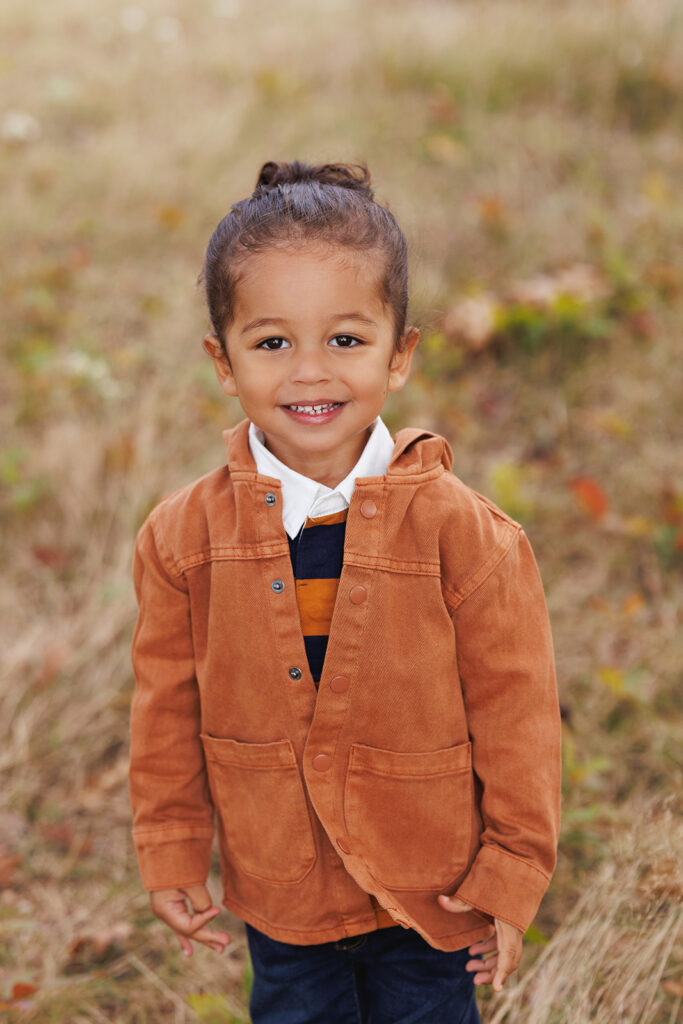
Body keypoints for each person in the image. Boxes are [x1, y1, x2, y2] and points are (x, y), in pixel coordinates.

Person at [129, 160, 562, 1024]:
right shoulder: (181, 539)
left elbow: (516, 716)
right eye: (273, 342)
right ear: (223, 361)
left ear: (399, 355)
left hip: (431, 893)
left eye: (346, 340)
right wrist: (174, 850)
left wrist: (509, 879)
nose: (310, 374)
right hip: (280, 885)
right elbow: (165, 711)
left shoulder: (466, 536)